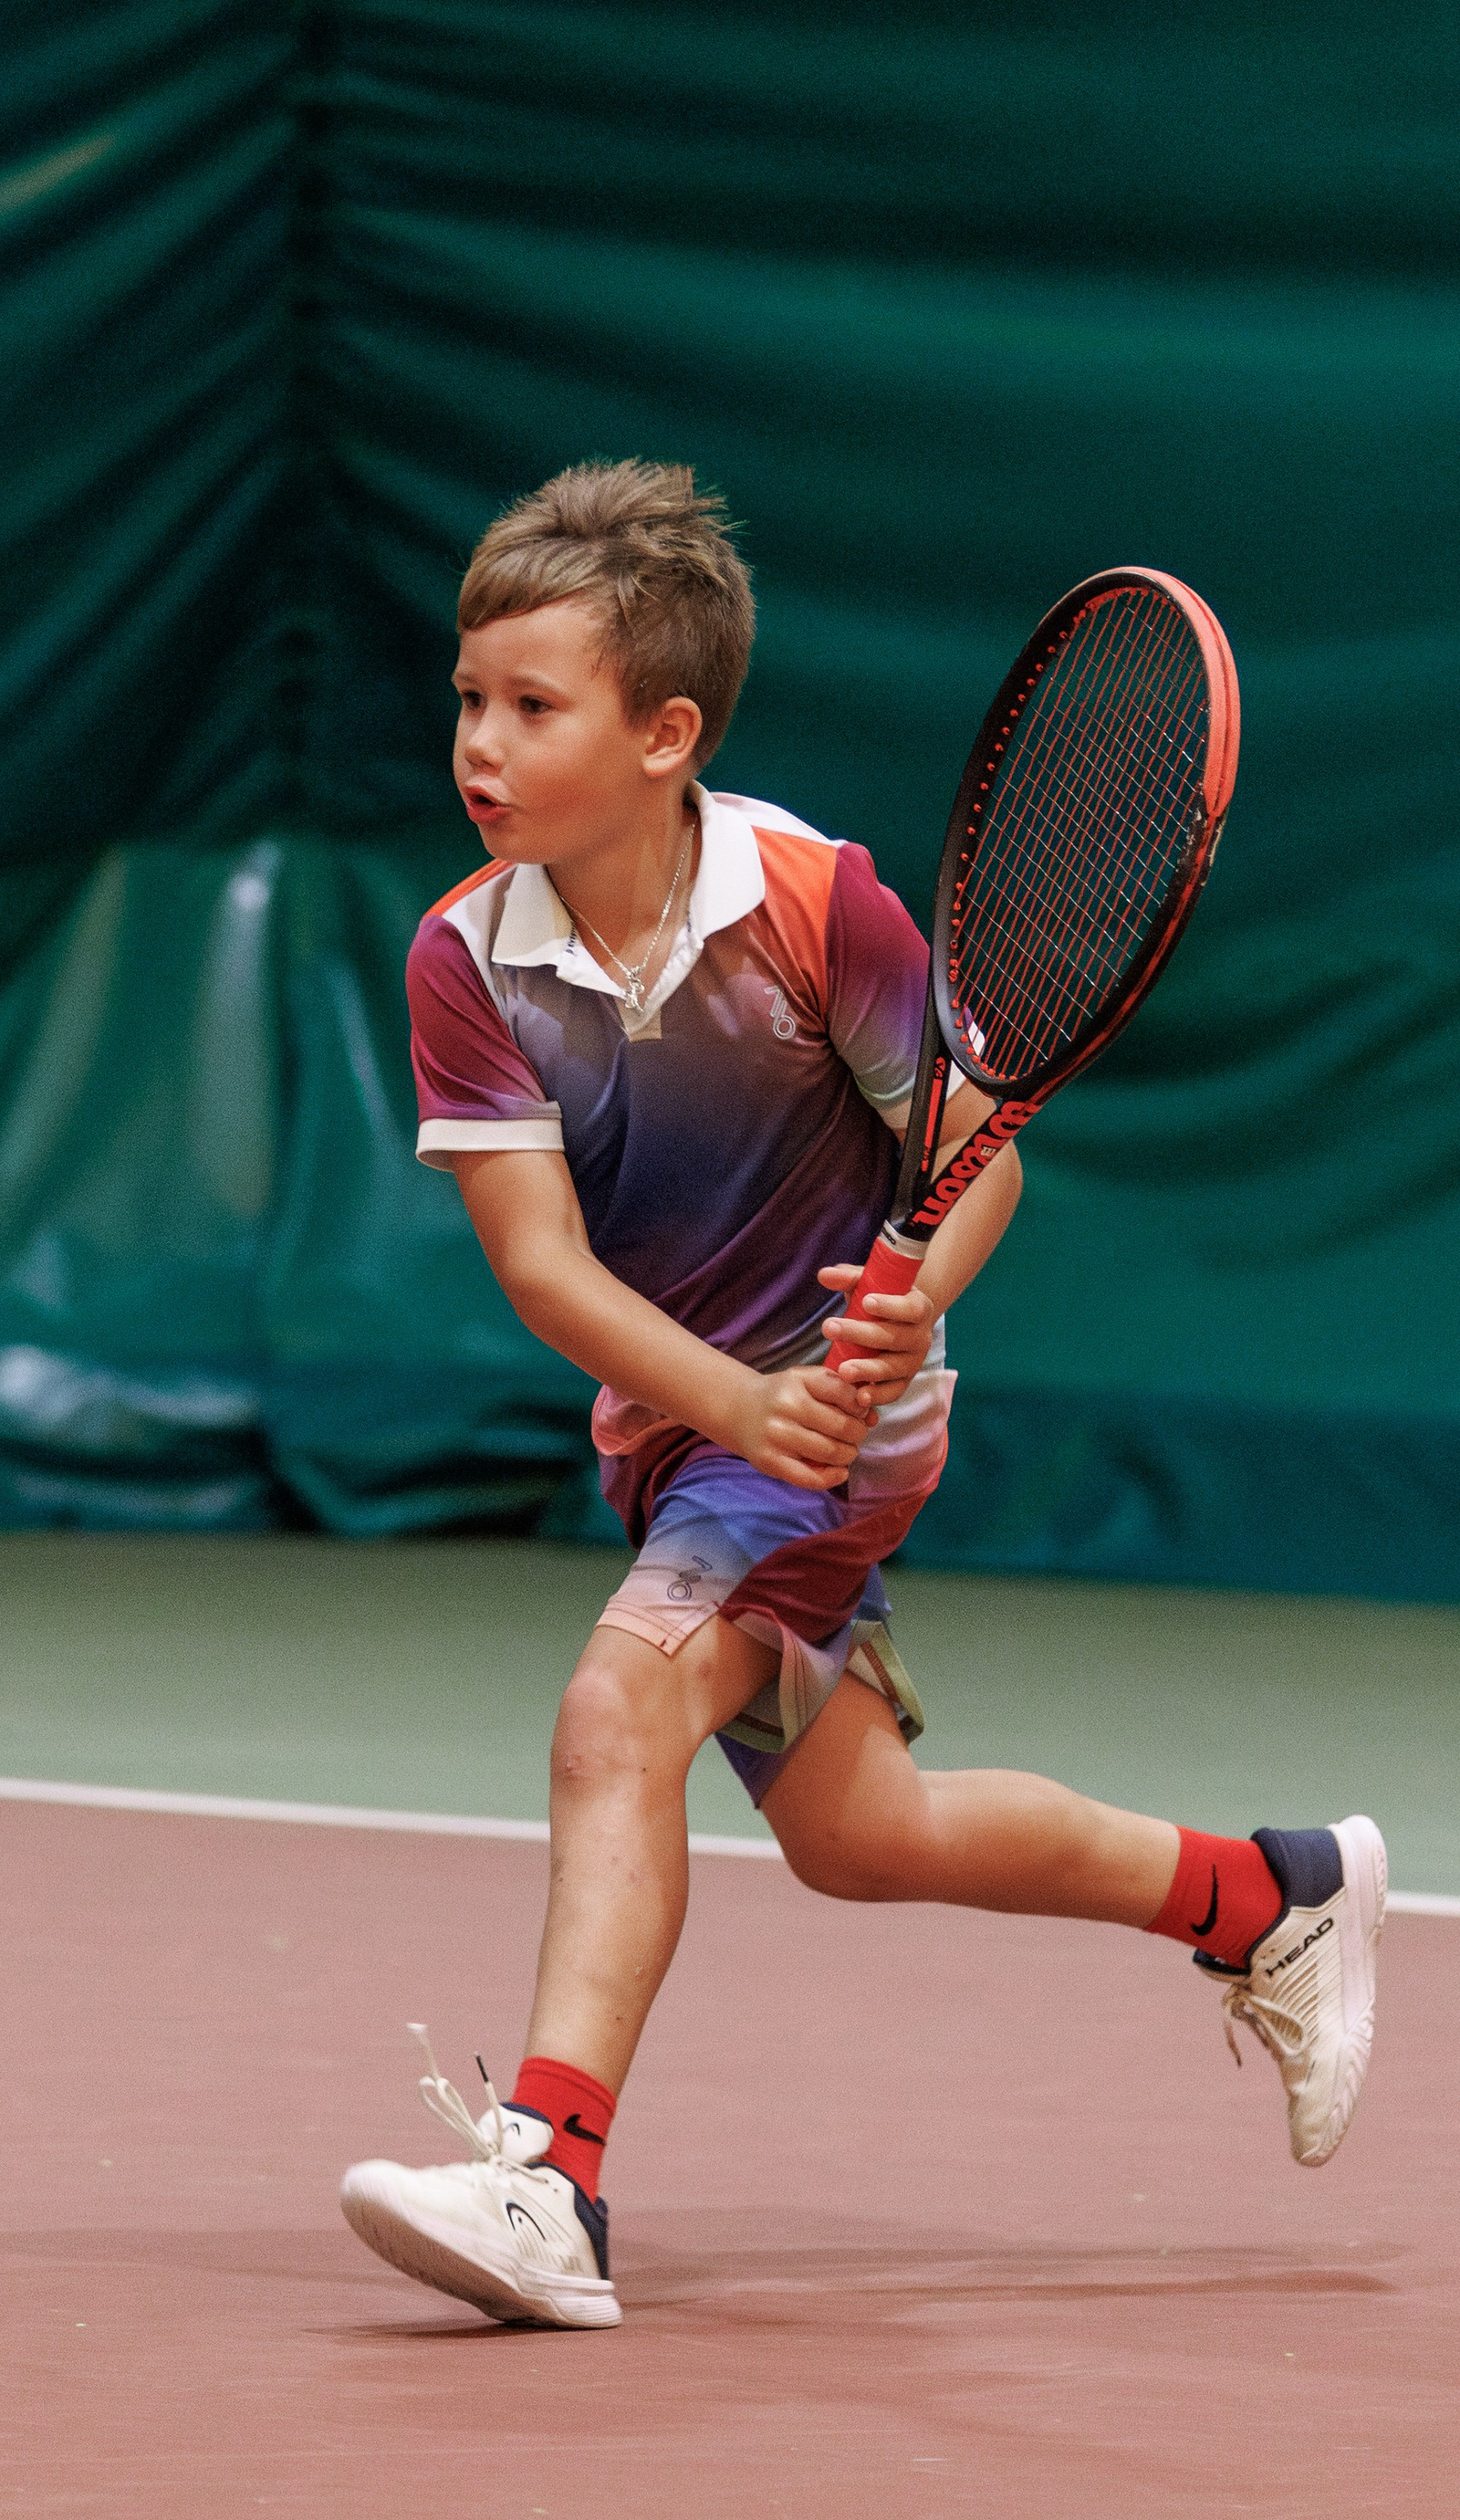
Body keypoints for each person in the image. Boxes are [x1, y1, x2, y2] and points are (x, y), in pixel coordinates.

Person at [339, 461, 1384, 2331]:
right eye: (466, 699)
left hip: (844, 1425)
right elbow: (542, 1267)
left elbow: (976, 1158)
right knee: (859, 1835)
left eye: (530, 705)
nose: (478, 745)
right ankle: (1265, 1890)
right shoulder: (462, 955)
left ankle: (550, 2178)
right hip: (700, 1429)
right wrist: (731, 1407)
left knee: (613, 1713)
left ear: (666, 733)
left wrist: (896, 1325)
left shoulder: (814, 908)